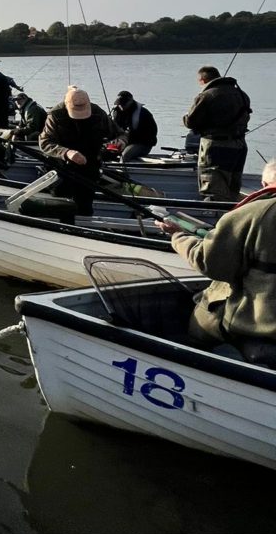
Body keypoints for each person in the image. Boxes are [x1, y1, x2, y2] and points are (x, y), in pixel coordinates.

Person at [159, 160, 276, 358]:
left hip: (257, 324)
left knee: (201, 316)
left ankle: (191, 357)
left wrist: (177, 236)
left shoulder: (254, 213)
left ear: (265, 185)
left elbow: (208, 262)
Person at [39, 87, 124, 215]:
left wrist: (120, 142)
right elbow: (44, 143)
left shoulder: (98, 113)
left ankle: (85, 227)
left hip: (89, 167)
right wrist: (67, 153)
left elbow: (120, 134)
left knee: (85, 207)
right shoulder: (55, 115)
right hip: (62, 167)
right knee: (62, 204)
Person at [183, 65, 252, 202]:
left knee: (213, 189)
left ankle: (215, 219)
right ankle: (232, 216)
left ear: (203, 80)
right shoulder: (242, 94)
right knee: (233, 186)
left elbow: (190, 122)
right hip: (240, 145)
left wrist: (185, 117)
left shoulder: (207, 95)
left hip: (216, 147)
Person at [110, 90, 158, 161]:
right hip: (124, 141)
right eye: (120, 104)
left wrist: (127, 137)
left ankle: (122, 170)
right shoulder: (117, 112)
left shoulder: (143, 114)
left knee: (125, 156)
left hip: (142, 143)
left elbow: (153, 132)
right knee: (106, 151)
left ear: (130, 101)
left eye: (124, 103)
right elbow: (114, 128)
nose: (122, 106)